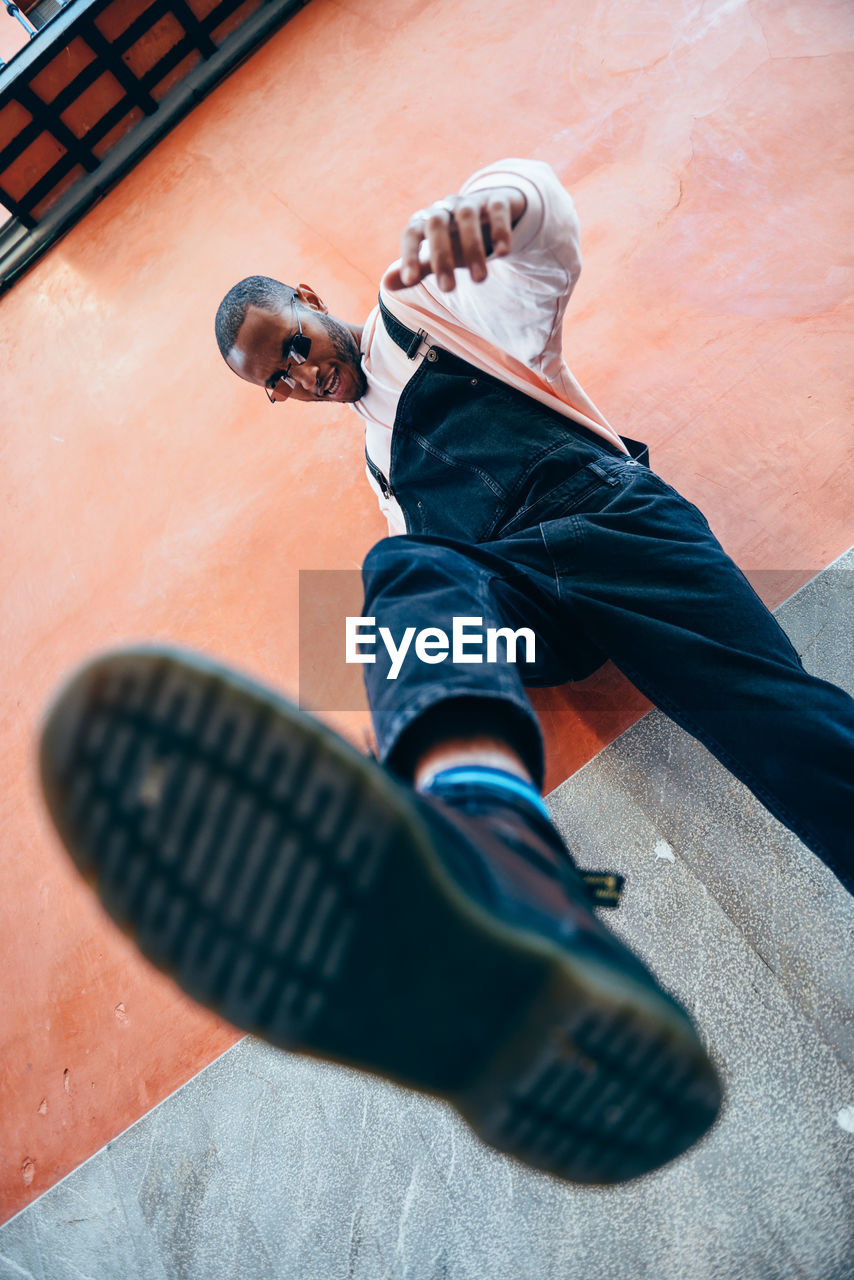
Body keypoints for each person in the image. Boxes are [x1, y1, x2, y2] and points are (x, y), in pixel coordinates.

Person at [39, 160, 853, 1188]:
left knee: (780, 728)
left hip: (610, 526)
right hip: (527, 607)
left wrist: (499, 201)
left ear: (306, 297)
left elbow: (545, 237)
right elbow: (442, 606)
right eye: (276, 381)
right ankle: (483, 833)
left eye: (290, 345)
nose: (298, 374)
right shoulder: (380, 475)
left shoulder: (418, 304)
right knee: (398, 567)